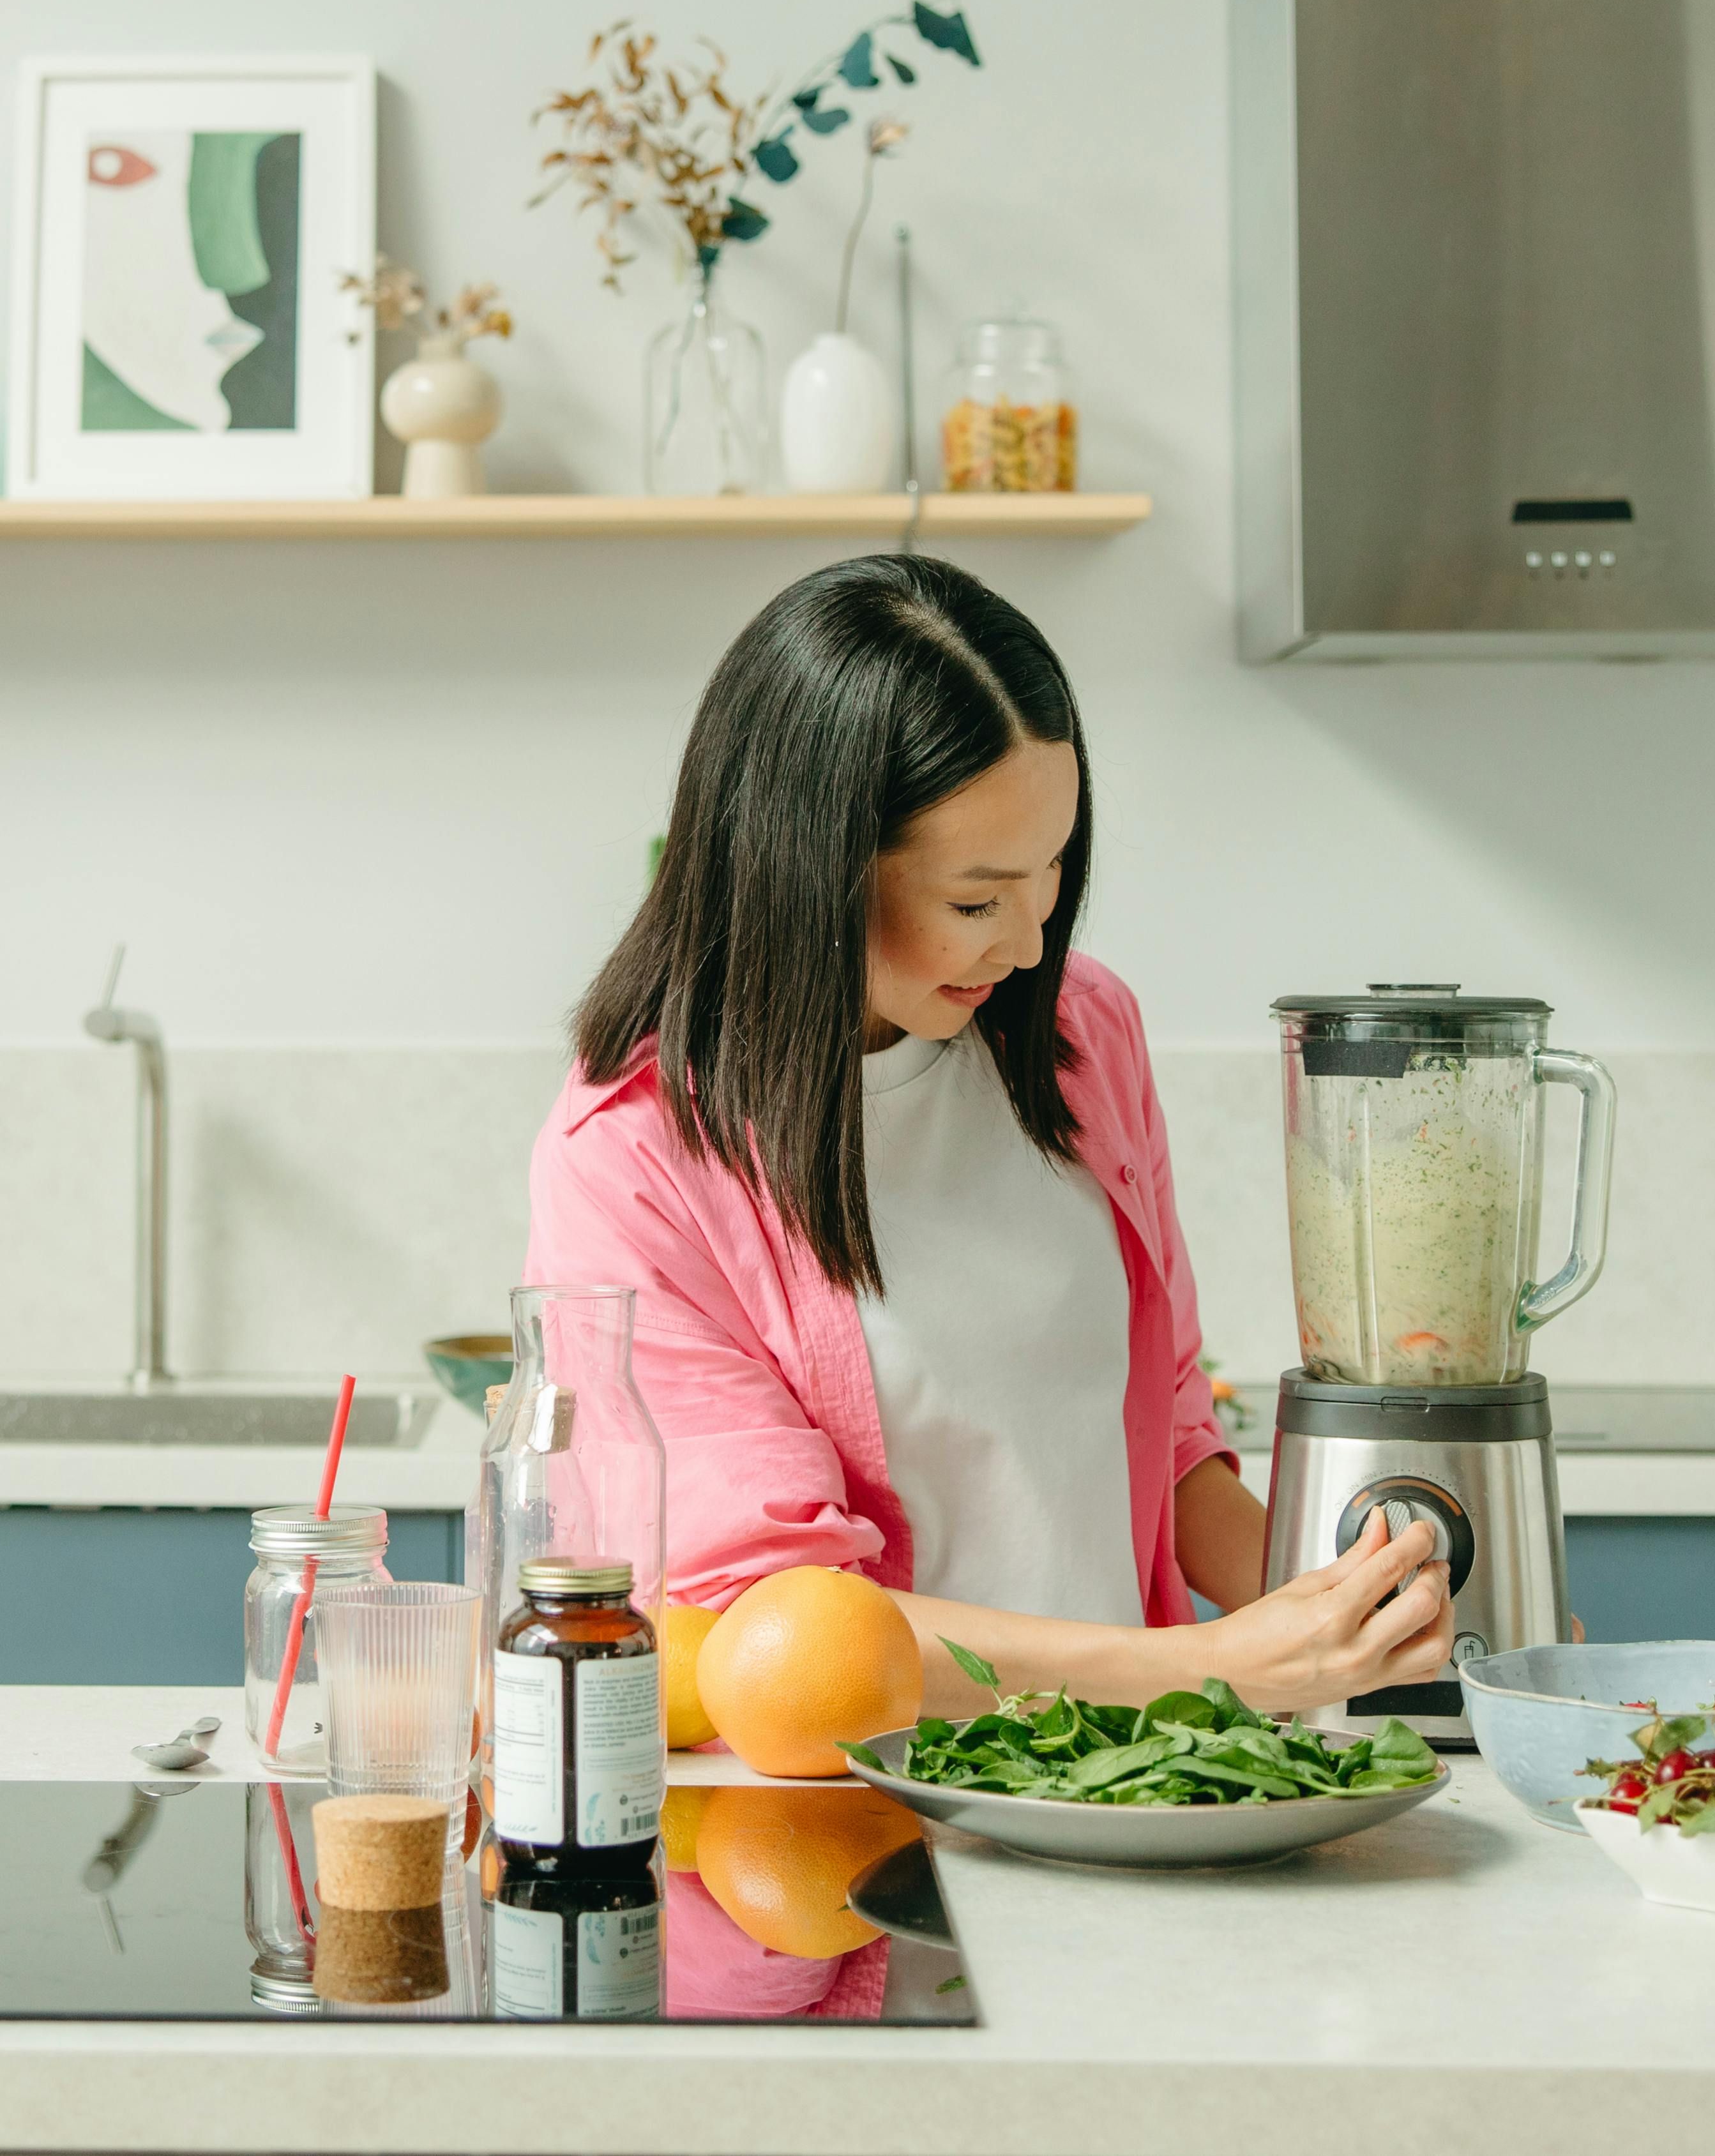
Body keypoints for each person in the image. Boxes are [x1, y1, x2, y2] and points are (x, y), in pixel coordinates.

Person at [523, 555, 1451, 1714]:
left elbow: (1166, 1433)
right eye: (976, 901)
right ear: (810, 873)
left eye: (1053, 874)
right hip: (871, 1825)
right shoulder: (635, 1157)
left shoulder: (1082, 1035)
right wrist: (1215, 1670)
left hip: (1141, 1790)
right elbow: (785, 1620)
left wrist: (1376, 1617)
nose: (1026, 943)